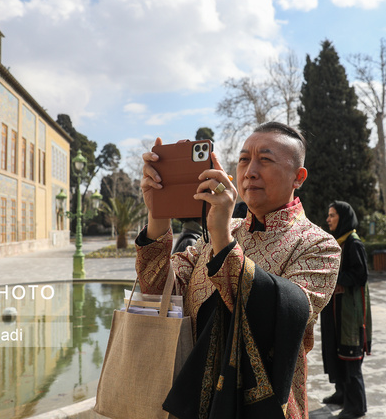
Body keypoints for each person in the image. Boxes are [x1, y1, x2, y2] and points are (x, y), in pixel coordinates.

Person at [136, 122, 340, 419]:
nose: (250, 171)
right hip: (193, 403)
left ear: (299, 177)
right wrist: (158, 216)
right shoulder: (219, 230)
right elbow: (157, 288)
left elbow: (284, 314)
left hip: (265, 407)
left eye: (265, 159)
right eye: (244, 159)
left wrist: (221, 238)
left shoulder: (318, 245)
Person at [320, 201, 372, 419]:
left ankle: (356, 406)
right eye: (328, 215)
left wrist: (334, 277)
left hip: (349, 312)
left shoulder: (353, 243)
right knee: (336, 351)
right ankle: (342, 394)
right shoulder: (338, 240)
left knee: (349, 355)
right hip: (335, 309)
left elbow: (360, 275)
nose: (328, 219)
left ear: (343, 217)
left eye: (332, 215)